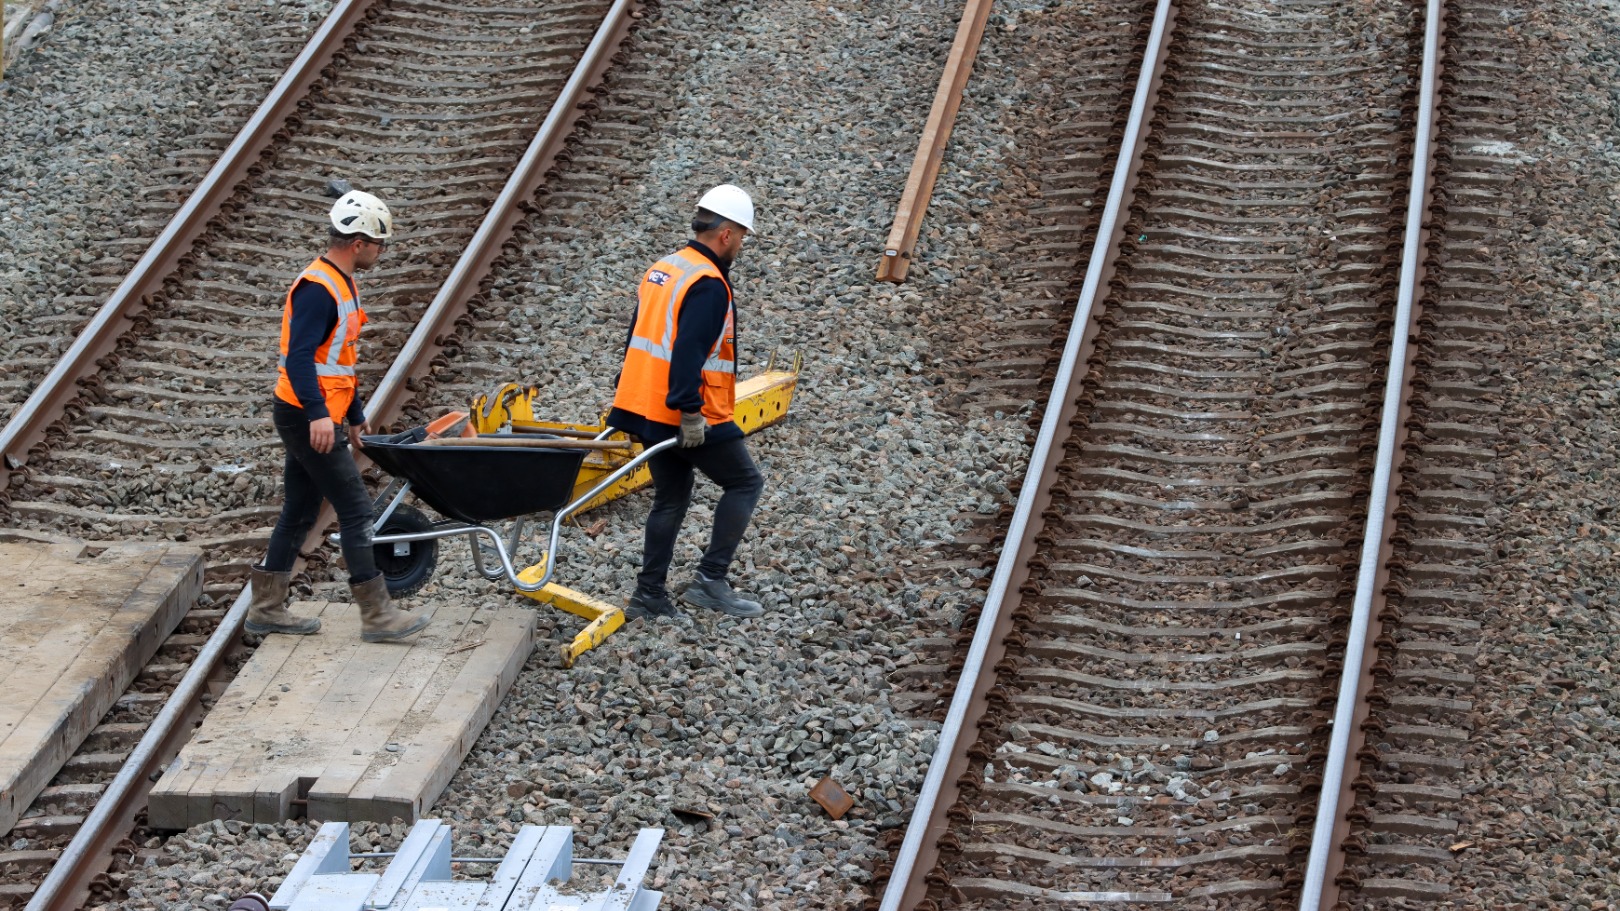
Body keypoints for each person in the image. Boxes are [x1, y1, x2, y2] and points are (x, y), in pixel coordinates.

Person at [245, 186, 430, 643]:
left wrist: (354, 413)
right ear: (358, 244)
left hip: (315, 411)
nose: (381, 252)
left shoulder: (340, 281)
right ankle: (378, 616)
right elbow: (299, 358)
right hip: (305, 414)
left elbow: (338, 361)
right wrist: (318, 416)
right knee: (356, 508)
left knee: (300, 508)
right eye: (379, 244)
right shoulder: (319, 290)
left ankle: (266, 607)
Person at [607, 184, 767, 620]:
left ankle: (648, 595)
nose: (740, 246)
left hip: (645, 405)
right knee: (745, 483)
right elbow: (688, 351)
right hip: (687, 412)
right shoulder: (708, 284)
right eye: (742, 237)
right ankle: (710, 581)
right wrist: (691, 412)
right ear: (726, 235)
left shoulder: (665, 268)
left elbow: (637, 336)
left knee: (672, 496)